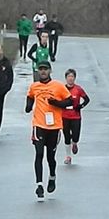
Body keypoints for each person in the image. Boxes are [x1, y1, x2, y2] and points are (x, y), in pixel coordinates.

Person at [25, 61, 72, 202]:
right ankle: (39, 185)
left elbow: (69, 101)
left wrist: (56, 103)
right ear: (38, 71)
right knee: (39, 154)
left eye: (45, 69)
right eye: (41, 69)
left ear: (50, 71)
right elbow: (30, 96)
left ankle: (52, 176)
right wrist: (28, 106)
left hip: (54, 127)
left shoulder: (58, 86)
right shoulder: (34, 86)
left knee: (50, 157)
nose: (43, 72)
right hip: (38, 125)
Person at [61, 68, 90, 165]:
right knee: (66, 136)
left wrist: (80, 106)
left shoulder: (78, 89)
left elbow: (87, 100)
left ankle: (75, 143)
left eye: (72, 77)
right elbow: (58, 100)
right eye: (69, 76)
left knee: (75, 135)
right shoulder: (62, 89)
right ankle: (68, 156)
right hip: (64, 116)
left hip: (75, 116)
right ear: (66, 78)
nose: (70, 79)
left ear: (75, 78)